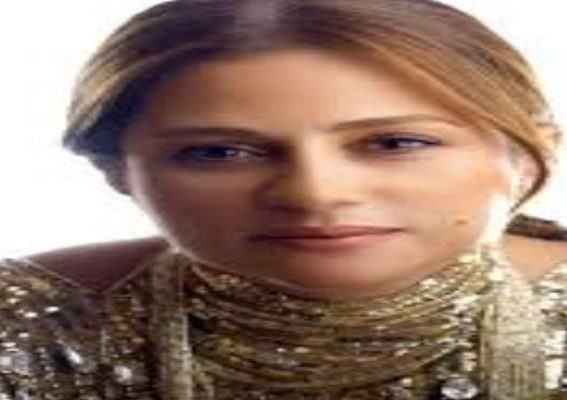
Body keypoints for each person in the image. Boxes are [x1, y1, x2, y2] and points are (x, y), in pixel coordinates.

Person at [1, 0, 567, 398]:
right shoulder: (29, 323)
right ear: (115, 170)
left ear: (530, 154)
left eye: (396, 143)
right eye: (220, 152)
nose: (314, 193)